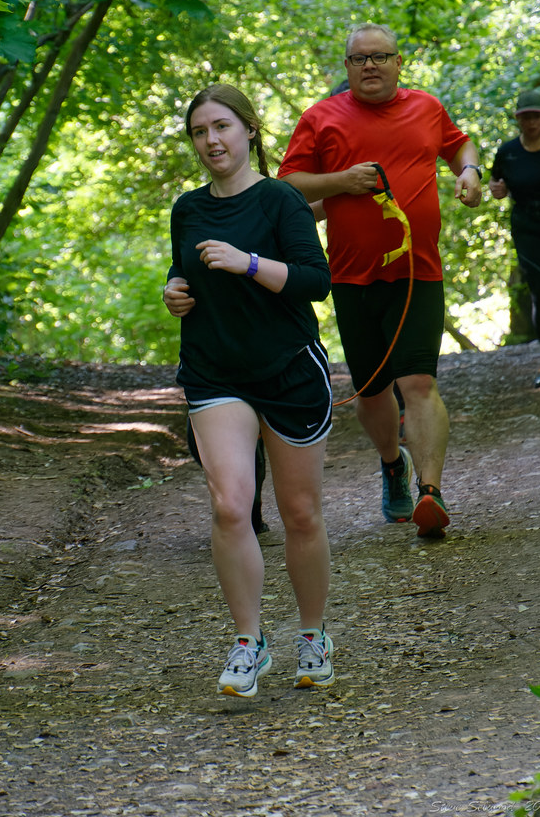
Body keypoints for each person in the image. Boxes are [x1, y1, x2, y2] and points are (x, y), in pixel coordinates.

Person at [163, 83, 335, 698]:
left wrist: (249, 264)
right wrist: (175, 291)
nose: (211, 140)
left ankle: (312, 633)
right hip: (214, 372)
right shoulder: (187, 207)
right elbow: (181, 272)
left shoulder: (281, 199)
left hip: (288, 369)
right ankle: (248, 640)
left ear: (249, 131)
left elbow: (316, 281)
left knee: (299, 512)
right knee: (231, 506)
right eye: (200, 131)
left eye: (222, 127)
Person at [279, 22, 483, 538]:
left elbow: (461, 146)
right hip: (350, 276)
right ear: (346, 68)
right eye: (359, 59)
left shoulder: (426, 108)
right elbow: (288, 188)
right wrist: (342, 181)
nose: (370, 65)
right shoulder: (320, 118)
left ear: (398, 62)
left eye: (380, 56)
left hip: (418, 271)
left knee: (417, 381)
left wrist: (469, 172)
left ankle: (429, 491)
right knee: (372, 394)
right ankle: (393, 464)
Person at [489, 90, 540, 387]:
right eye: (525, 117)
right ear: (517, 119)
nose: (531, 122)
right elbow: (495, 180)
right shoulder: (508, 152)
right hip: (529, 228)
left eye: (536, 115)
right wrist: (497, 190)